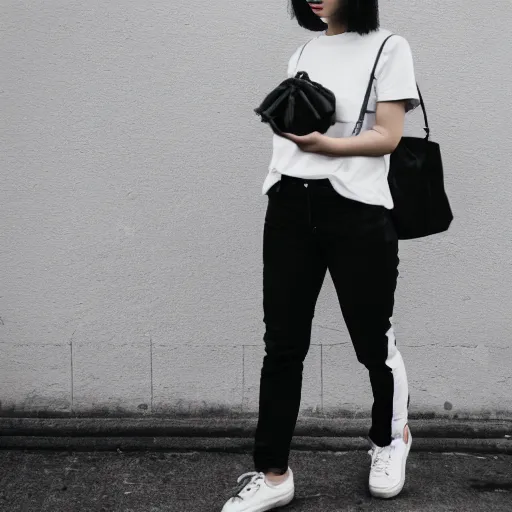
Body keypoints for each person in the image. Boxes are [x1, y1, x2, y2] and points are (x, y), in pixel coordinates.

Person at [221, 1, 419, 510]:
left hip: (355, 212)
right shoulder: (304, 50)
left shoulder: (389, 48)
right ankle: (273, 473)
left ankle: (389, 439)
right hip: (289, 204)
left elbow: (389, 137)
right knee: (282, 345)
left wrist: (322, 146)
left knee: (372, 339)